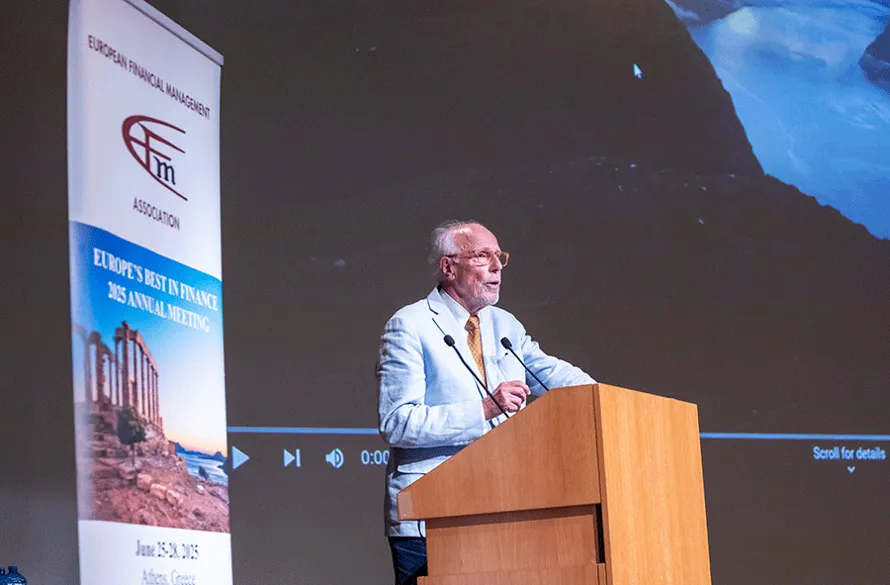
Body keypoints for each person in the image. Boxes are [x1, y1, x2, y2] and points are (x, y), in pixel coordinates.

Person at [376, 220, 594, 585]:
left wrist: (603, 395)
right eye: (481, 256)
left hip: (500, 506)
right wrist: (485, 409)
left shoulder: (504, 325)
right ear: (448, 267)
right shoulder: (410, 325)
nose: (496, 267)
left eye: (498, 256)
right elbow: (397, 423)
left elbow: (549, 372)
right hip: (431, 517)